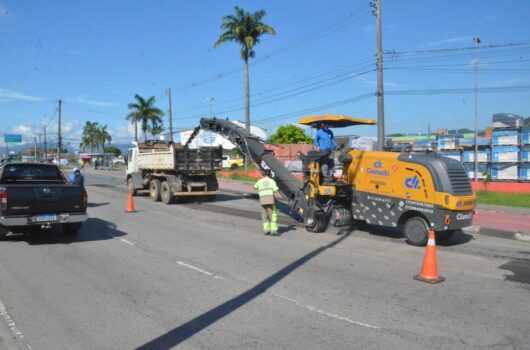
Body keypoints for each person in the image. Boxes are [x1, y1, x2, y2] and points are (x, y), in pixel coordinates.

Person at [254, 169, 279, 236]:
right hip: (270, 201)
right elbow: (276, 190)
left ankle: (266, 230)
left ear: (264, 174)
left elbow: (255, 187)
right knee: (273, 216)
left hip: (262, 201)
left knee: (264, 216)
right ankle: (273, 231)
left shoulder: (259, 181)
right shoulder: (272, 181)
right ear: (270, 174)